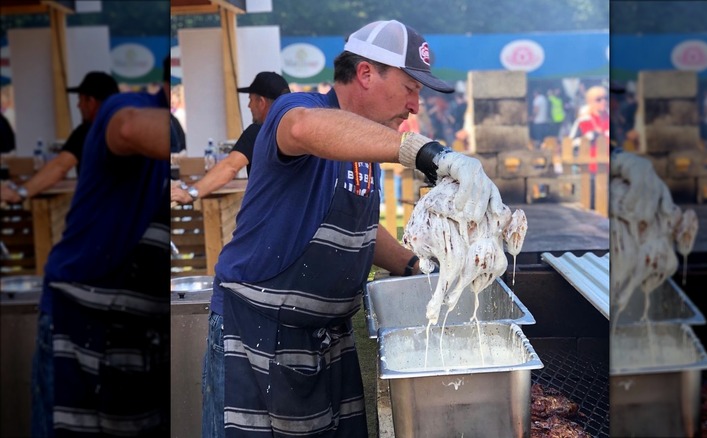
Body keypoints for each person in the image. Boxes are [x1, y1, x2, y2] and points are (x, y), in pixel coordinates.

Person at [203, 19, 502, 438]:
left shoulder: (365, 147)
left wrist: (419, 268)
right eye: (411, 88)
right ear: (365, 73)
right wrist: (421, 151)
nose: (415, 105)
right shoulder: (301, 112)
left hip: (326, 340)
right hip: (259, 336)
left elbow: (358, 228)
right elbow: (303, 128)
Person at [30, 57, 171, 437]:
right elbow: (122, 131)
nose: (79, 105)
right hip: (78, 318)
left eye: (81, 99)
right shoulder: (123, 113)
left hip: (131, 329)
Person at [170, 72, 289, 205]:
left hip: (273, 217)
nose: (249, 106)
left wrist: (190, 193)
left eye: (250, 100)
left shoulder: (259, 132)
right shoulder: (299, 131)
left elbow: (230, 167)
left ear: (261, 102)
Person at [1, 71, 119, 204]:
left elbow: (59, 167)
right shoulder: (126, 127)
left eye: (80, 100)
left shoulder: (89, 131)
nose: (78, 106)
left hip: (104, 211)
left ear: (90, 102)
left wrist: (20, 193)